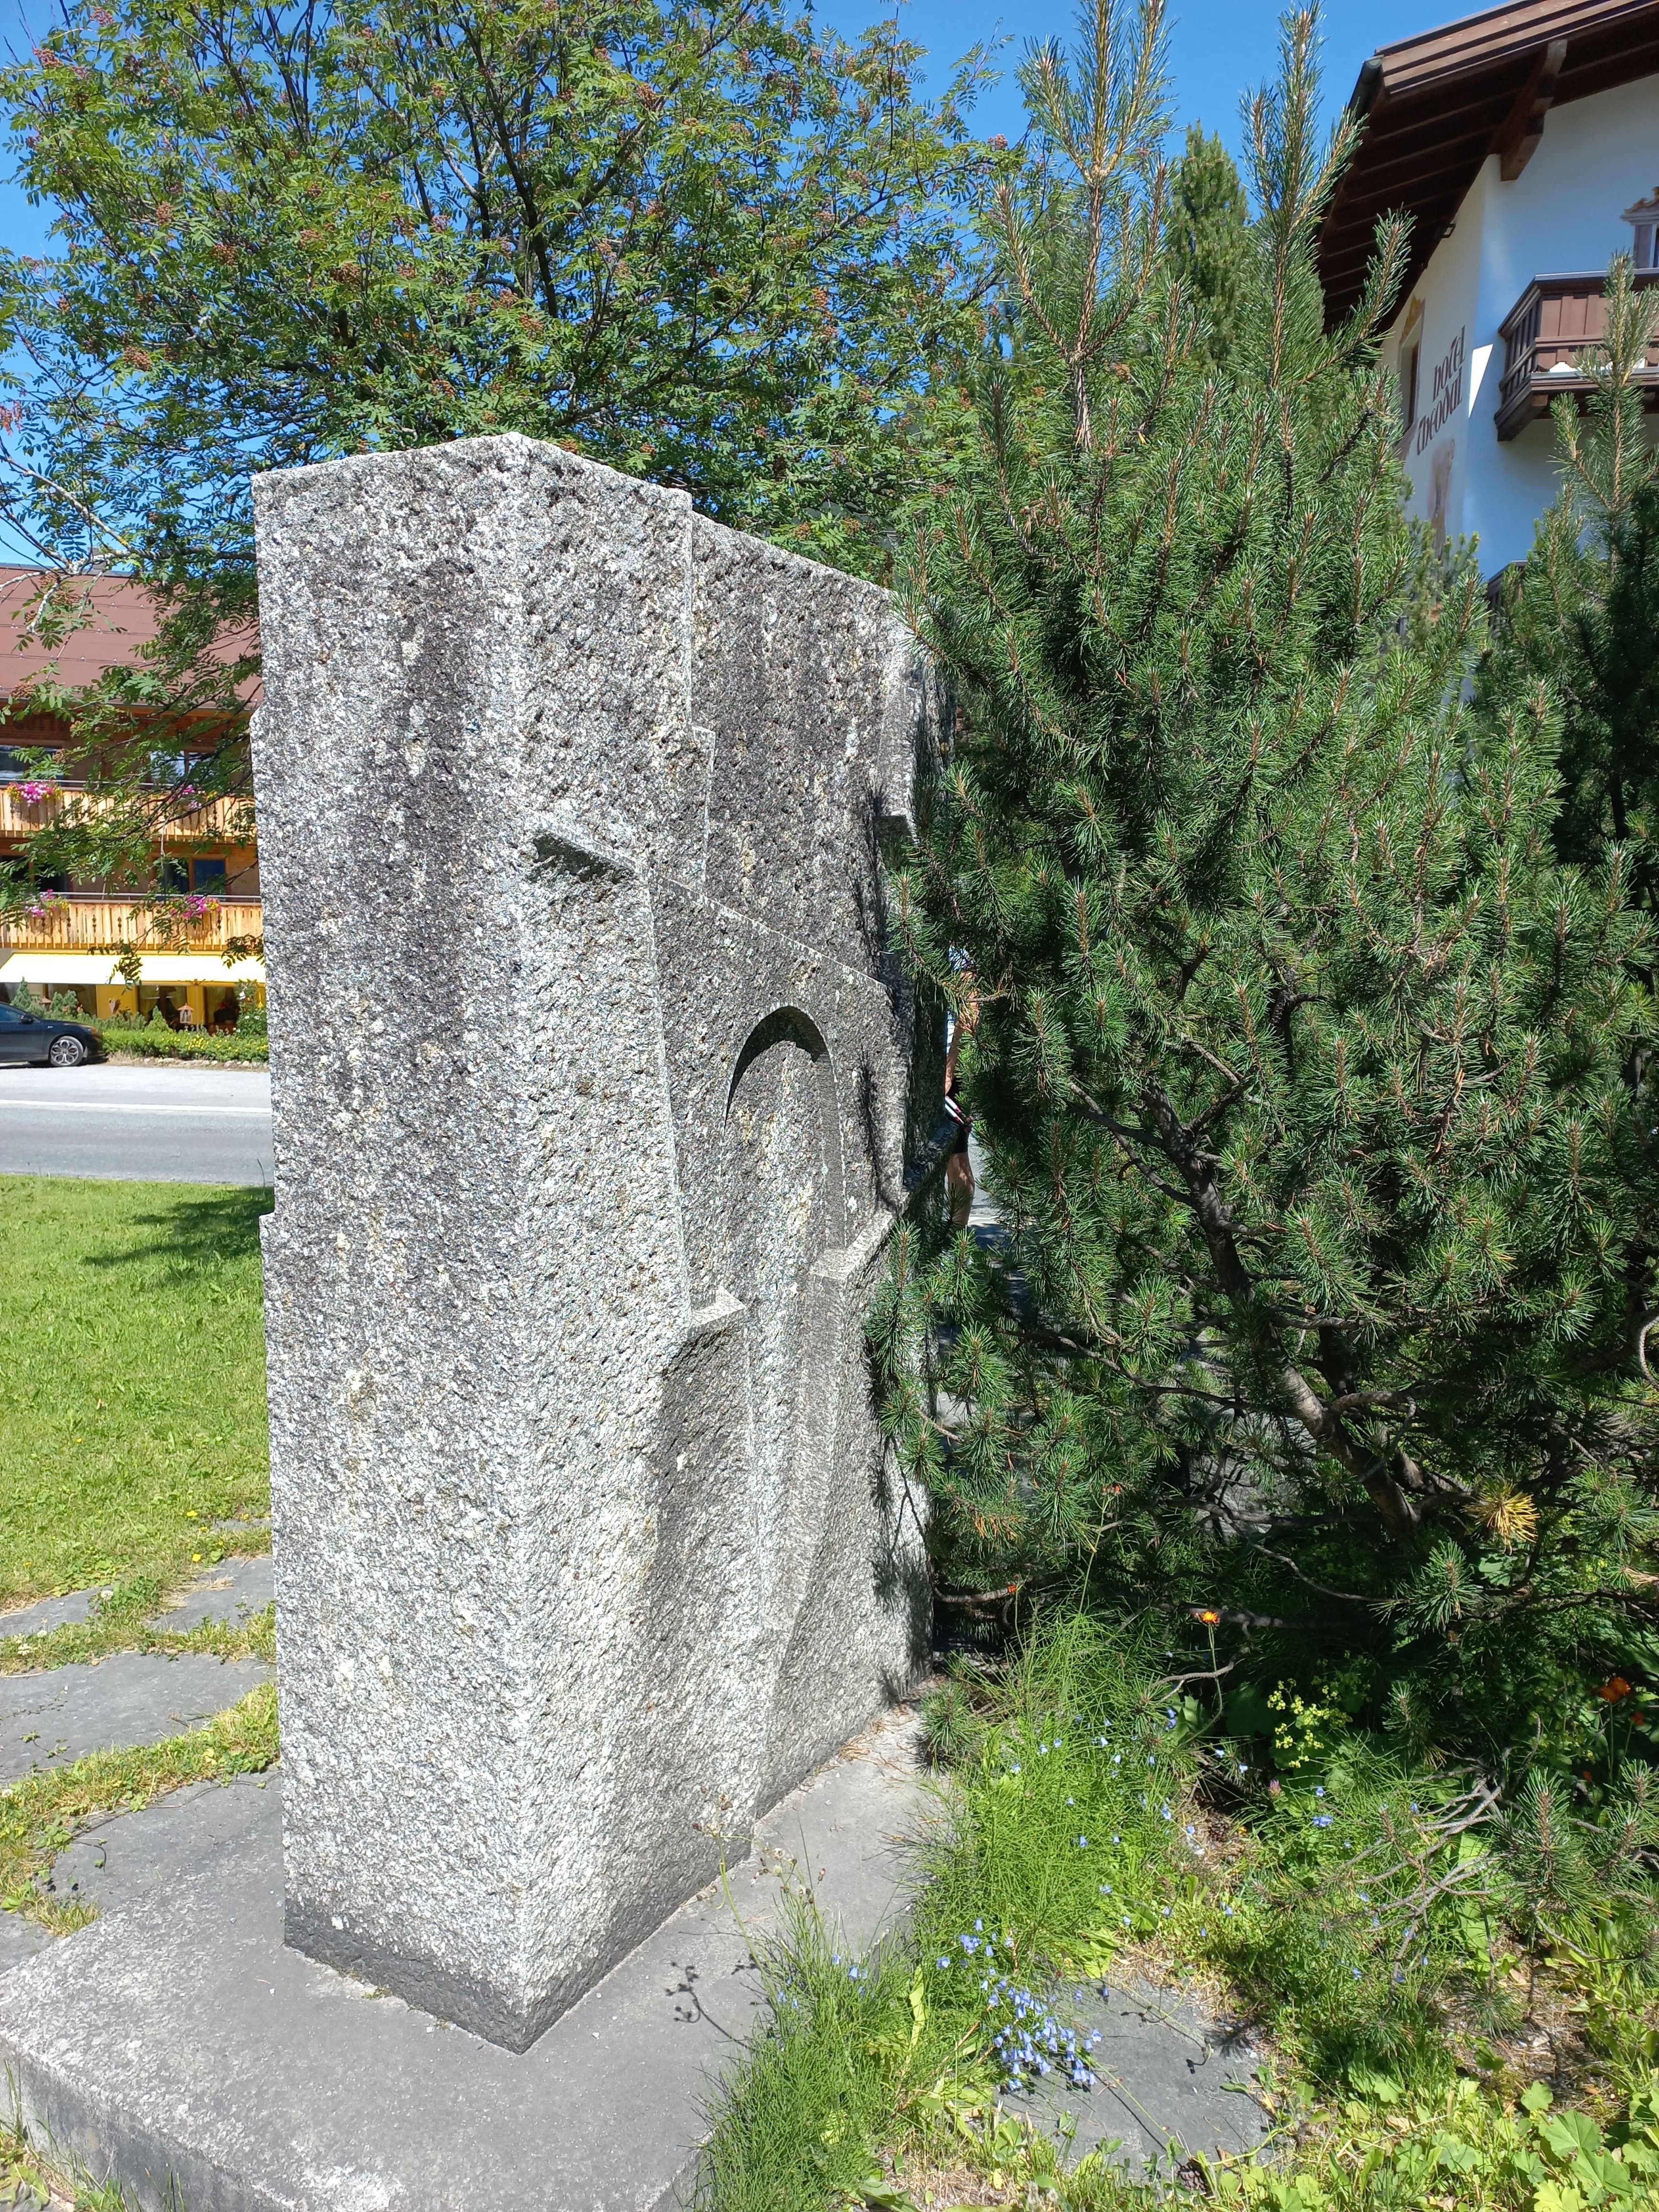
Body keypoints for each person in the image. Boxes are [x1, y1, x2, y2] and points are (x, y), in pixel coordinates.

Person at [943, 978, 979, 1232]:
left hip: (952, 1069)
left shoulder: (959, 960)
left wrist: (949, 1072)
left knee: (956, 1160)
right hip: (925, 1060)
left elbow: (971, 1008)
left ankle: (957, 1241)